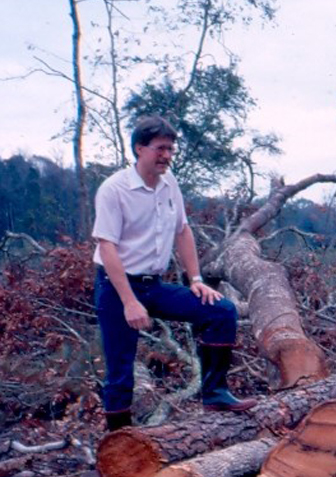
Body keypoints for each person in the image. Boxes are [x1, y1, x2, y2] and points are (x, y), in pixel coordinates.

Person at [92, 115, 257, 432]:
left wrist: (195, 281)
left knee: (221, 311)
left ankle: (215, 393)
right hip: (116, 289)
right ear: (140, 148)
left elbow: (182, 231)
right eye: (160, 148)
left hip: (154, 285)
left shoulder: (169, 185)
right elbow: (107, 247)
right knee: (120, 371)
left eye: (171, 149)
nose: (167, 155)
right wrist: (129, 302)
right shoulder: (114, 190)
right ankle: (119, 443)